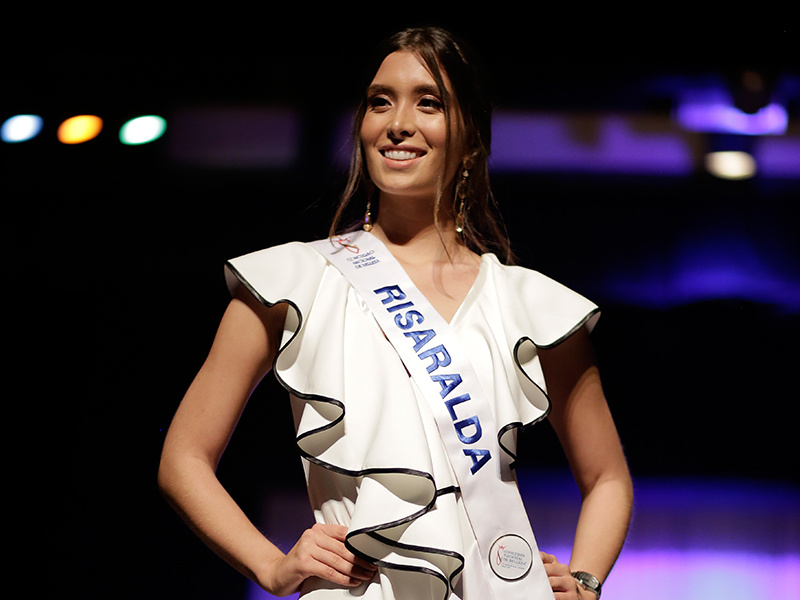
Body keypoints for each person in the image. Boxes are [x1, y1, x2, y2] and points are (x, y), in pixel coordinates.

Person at [158, 26, 633, 600]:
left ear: (472, 141)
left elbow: (607, 477)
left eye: (428, 103)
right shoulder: (297, 281)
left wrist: (584, 580)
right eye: (380, 101)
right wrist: (271, 565)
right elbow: (183, 458)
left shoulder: (527, 304)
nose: (397, 122)